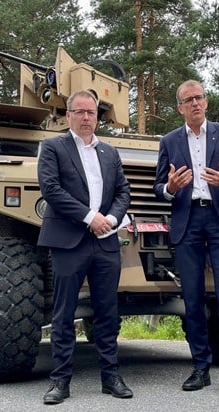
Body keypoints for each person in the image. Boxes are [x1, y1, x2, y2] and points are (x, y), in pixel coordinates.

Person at [153, 80, 219, 399]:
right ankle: (200, 367)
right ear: (180, 108)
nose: (195, 103)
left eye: (199, 97)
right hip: (188, 222)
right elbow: (159, 187)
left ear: (206, 102)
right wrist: (170, 188)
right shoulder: (169, 141)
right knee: (193, 299)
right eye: (188, 100)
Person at [37, 90, 132, 405]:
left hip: (105, 242)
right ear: (68, 116)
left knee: (107, 312)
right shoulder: (53, 147)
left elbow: (123, 191)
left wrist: (112, 219)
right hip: (68, 241)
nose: (87, 117)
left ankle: (111, 377)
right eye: (80, 112)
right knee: (64, 314)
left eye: (91, 112)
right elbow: (51, 189)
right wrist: (91, 217)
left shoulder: (109, 152)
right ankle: (60, 381)